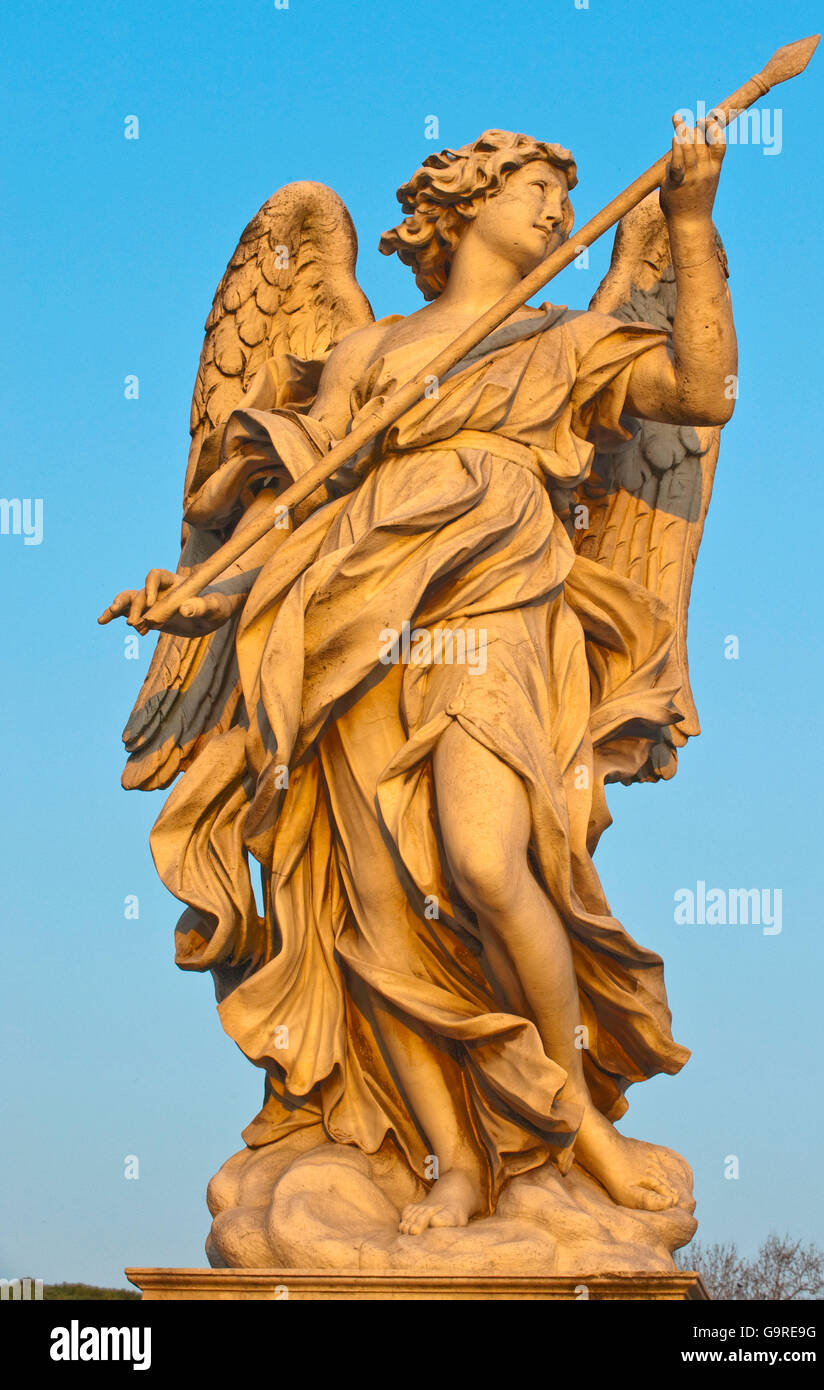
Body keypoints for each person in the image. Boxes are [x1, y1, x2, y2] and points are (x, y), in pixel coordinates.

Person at [102, 121, 735, 1234]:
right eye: (533, 187)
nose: (550, 209)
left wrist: (685, 225)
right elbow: (291, 504)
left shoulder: (565, 336)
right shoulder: (369, 355)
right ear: (468, 203)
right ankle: (450, 1157)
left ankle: (572, 1127)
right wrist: (196, 594)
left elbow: (699, 389)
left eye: (558, 195)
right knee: (368, 902)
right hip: (346, 623)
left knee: (487, 863)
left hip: (490, 601)